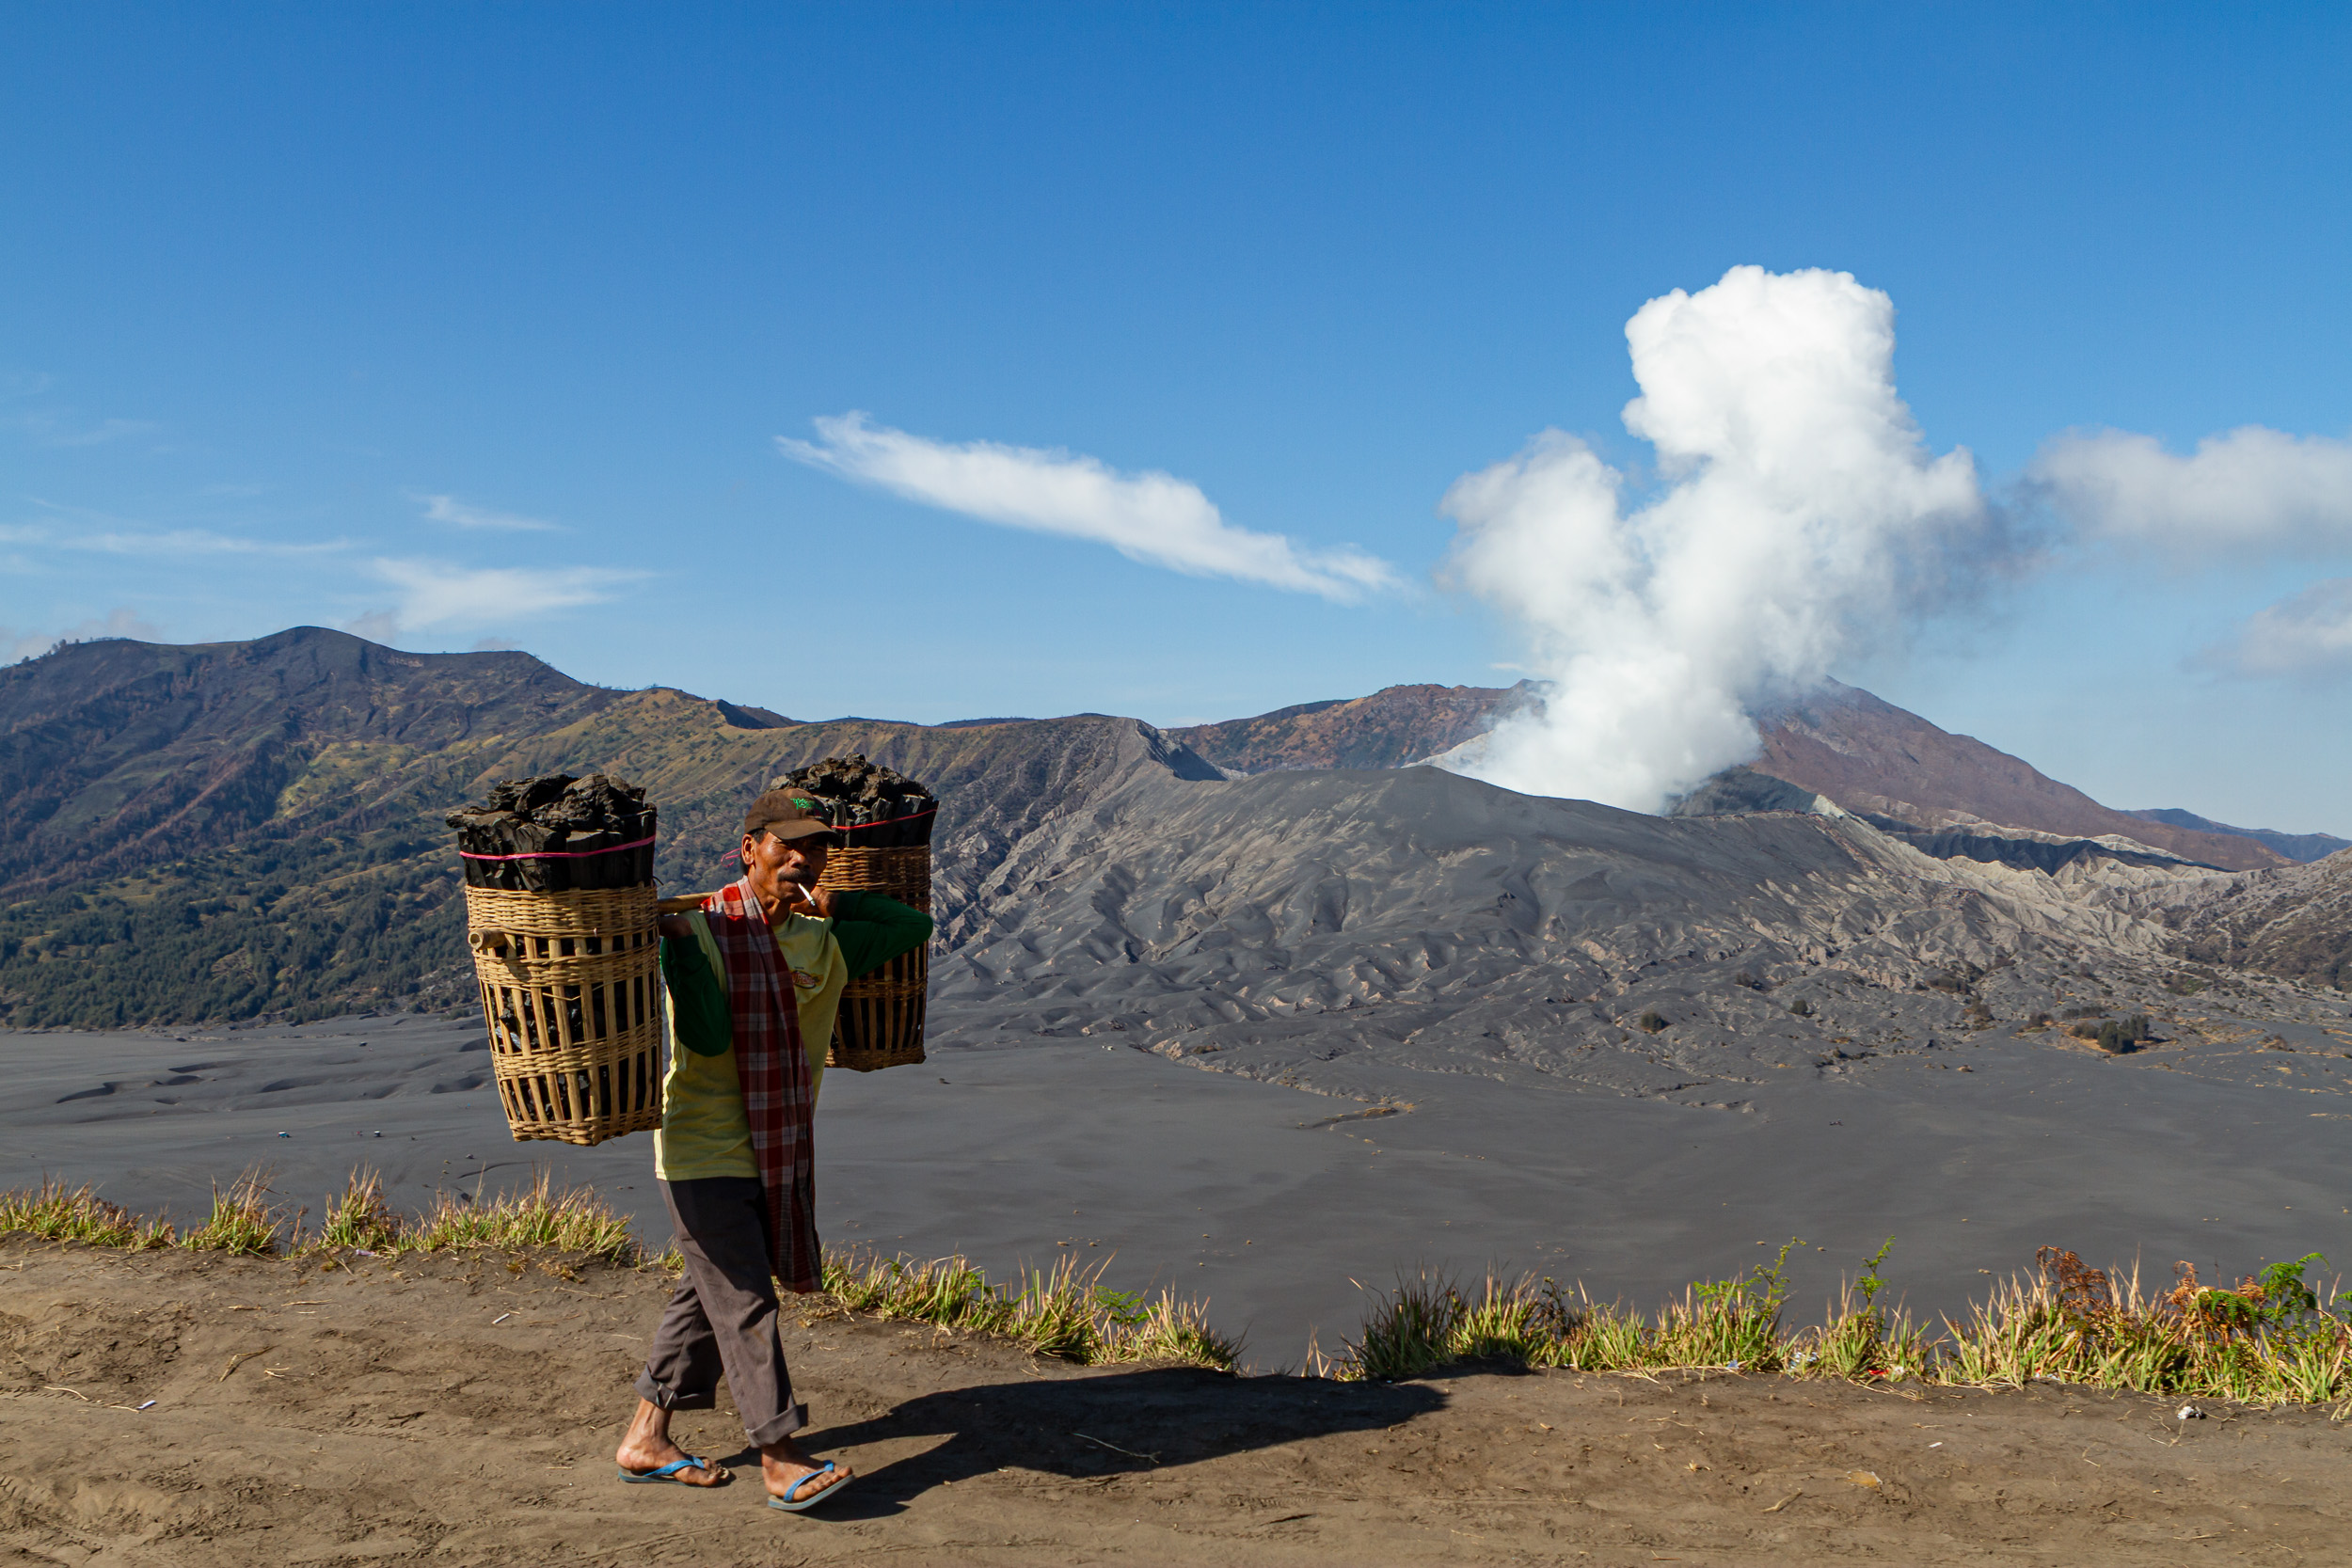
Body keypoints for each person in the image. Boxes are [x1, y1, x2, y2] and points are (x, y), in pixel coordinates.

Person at [613, 787, 931, 1512]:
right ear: (749, 846)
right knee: (746, 1300)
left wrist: (837, 902)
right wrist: (685, 956)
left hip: (776, 1146)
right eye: (786, 844)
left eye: (815, 847)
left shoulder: (827, 941)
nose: (801, 857)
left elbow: (915, 922)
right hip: (702, 1149)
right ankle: (780, 1453)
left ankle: (645, 1437)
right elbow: (706, 1039)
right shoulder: (706, 931)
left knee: (708, 1291)